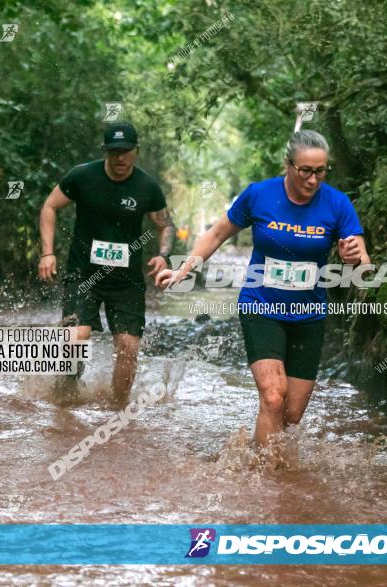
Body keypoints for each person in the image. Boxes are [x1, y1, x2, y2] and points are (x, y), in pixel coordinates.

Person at [155, 130, 369, 452]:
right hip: (261, 306)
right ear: (288, 165)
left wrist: (355, 258)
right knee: (272, 396)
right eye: (306, 171)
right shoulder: (259, 195)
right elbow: (216, 234)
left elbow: (362, 266)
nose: (313, 180)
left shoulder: (337, 204)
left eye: (321, 171)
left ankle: (257, 456)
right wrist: (182, 269)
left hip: (308, 314)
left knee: (292, 415)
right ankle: (266, 478)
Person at [38, 121, 175, 406]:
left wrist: (163, 255)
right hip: (83, 275)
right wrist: (47, 252)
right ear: (105, 151)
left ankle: (117, 408)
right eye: (114, 152)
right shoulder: (82, 177)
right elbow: (50, 206)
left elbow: (166, 225)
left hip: (125, 282)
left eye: (126, 151)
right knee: (75, 339)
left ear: (136, 151)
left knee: (128, 349)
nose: (120, 158)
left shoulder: (147, 187)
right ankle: (65, 394)